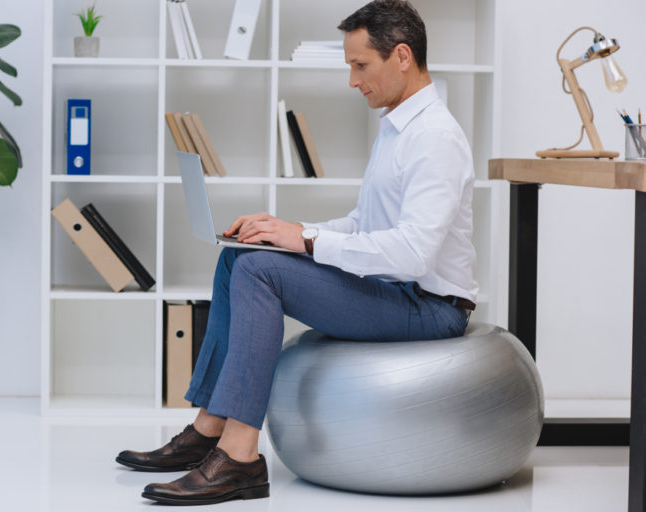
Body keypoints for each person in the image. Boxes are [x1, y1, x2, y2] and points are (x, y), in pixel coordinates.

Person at [117, 0, 478, 505]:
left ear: (401, 56)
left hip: (428, 307)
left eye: (360, 66)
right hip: (394, 291)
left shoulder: (435, 138)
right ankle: (208, 428)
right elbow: (365, 225)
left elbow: (413, 254)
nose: (353, 81)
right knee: (239, 257)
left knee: (261, 272)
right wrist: (287, 228)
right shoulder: (397, 128)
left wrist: (305, 242)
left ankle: (240, 459)